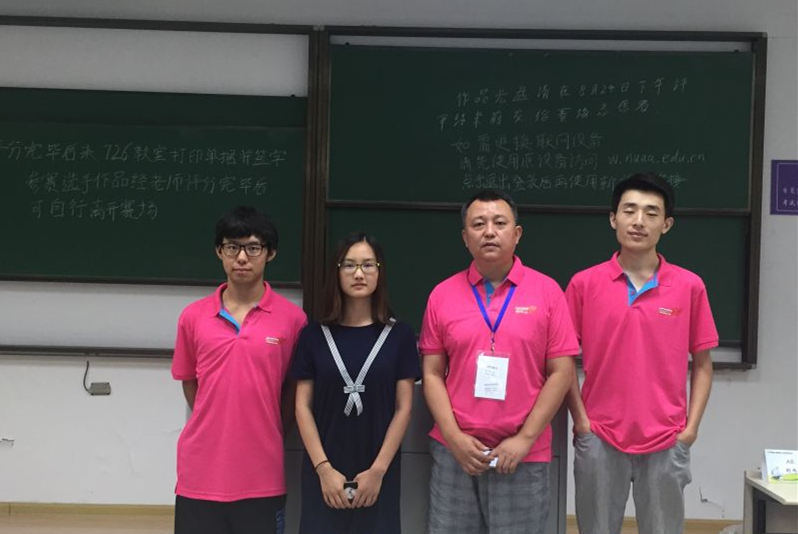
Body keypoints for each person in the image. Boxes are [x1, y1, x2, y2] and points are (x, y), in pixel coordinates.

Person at [565, 173, 718, 534]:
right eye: (629, 210)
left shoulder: (689, 286)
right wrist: (581, 422)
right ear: (613, 218)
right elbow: (563, 360)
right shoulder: (583, 284)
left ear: (666, 224)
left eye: (651, 213)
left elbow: (703, 364)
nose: (638, 221)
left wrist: (690, 430)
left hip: (667, 438)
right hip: (600, 436)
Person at [420, 189, 578, 534]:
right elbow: (431, 373)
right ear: (465, 237)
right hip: (456, 451)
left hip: (522, 452)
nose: (489, 231)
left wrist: (525, 438)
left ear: (516, 233)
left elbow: (562, 372)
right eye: (478, 224)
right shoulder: (442, 295)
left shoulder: (548, 292)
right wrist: (453, 436)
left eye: (499, 223)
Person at [171, 206, 307, 534]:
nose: (242, 258)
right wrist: (216, 419)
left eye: (253, 248)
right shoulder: (193, 317)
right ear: (219, 252)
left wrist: (269, 427)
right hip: (199, 474)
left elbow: (294, 390)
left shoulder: (293, 320)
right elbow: (190, 382)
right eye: (232, 247)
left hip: (262, 475)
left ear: (270, 253)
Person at [290, 232, 421, 534]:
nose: (359, 274)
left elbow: (403, 408)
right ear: (336, 272)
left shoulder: (399, 335)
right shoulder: (313, 336)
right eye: (349, 265)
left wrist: (378, 471)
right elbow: (302, 407)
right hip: (324, 473)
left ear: (379, 271)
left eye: (368, 265)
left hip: (378, 474)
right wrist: (324, 470)